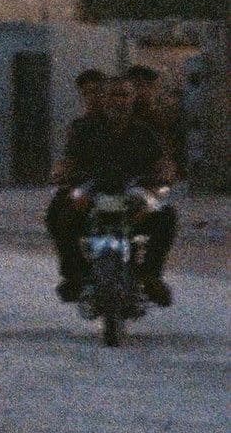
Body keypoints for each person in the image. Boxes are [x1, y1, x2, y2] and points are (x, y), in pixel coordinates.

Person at [47, 70, 177, 307]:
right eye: (113, 95)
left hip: (132, 192)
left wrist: (164, 175)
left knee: (166, 216)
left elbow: (162, 161)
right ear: (103, 98)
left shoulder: (144, 131)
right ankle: (74, 275)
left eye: (125, 95)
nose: (119, 100)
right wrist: (62, 172)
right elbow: (68, 159)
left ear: (132, 98)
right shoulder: (84, 128)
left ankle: (151, 276)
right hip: (94, 190)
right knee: (59, 213)